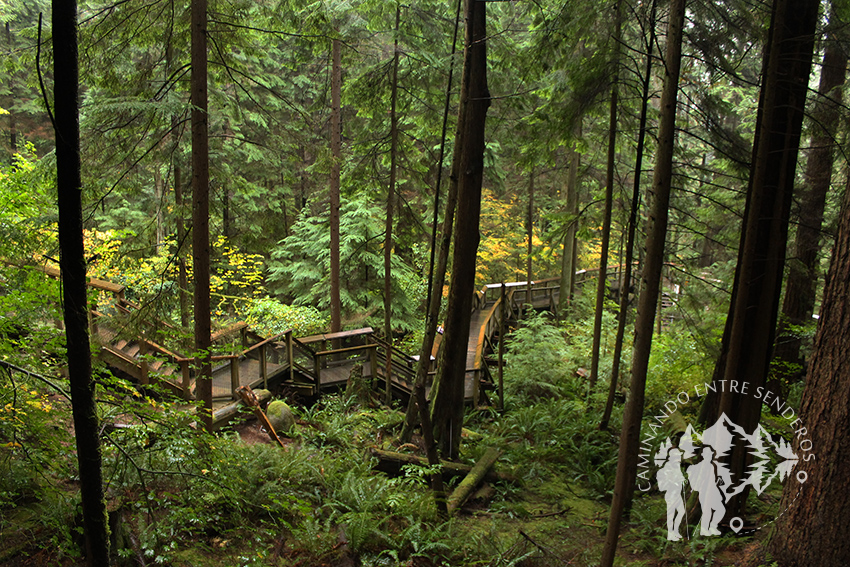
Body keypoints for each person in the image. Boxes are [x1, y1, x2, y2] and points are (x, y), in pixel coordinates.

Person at [687, 446, 730, 536]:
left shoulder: (711, 466)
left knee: (720, 509)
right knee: (707, 510)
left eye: (710, 454)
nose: (709, 456)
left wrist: (718, 481)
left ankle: (712, 526)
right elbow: (699, 479)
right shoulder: (701, 466)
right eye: (706, 454)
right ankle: (704, 529)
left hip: (713, 491)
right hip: (705, 491)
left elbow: (713, 479)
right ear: (703, 455)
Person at [657, 446, 687, 540]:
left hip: (677, 494)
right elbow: (664, 484)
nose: (679, 458)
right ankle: (670, 533)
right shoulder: (667, 468)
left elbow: (680, 478)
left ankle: (675, 531)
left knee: (681, 512)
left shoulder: (677, 467)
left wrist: (682, 481)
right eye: (677, 456)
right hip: (671, 494)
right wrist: (674, 483)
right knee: (671, 514)